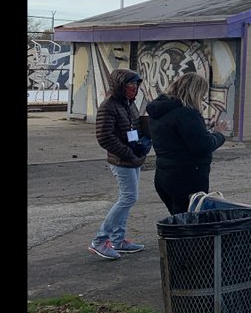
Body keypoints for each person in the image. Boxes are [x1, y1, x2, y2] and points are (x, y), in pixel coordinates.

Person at [88, 68, 149, 260]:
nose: (133, 88)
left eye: (136, 85)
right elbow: (105, 137)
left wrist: (143, 143)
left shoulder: (130, 104)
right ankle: (100, 240)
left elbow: (135, 127)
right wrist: (129, 152)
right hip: (122, 160)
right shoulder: (109, 106)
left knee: (127, 198)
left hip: (133, 158)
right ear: (120, 85)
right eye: (129, 85)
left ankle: (118, 240)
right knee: (128, 198)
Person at [147, 72, 228, 215]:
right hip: (187, 177)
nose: (202, 99)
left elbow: (178, 140)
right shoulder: (186, 113)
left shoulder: (159, 112)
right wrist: (219, 134)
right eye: (202, 95)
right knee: (188, 222)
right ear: (195, 92)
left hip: (163, 175)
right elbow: (203, 146)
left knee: (177, 217)